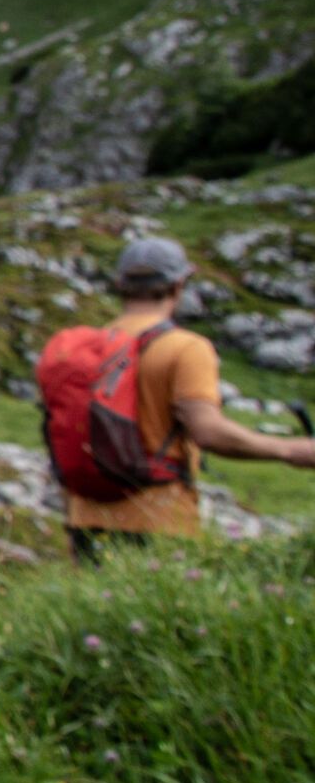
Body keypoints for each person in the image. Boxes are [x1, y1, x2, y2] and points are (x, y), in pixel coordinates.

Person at [55, 236, 315, 560]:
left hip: (85, 516)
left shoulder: (86, 349)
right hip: (158, 519)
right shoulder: (185, 348)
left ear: (120, 284)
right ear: (179, 284)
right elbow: (208, 432)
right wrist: (290, 450)